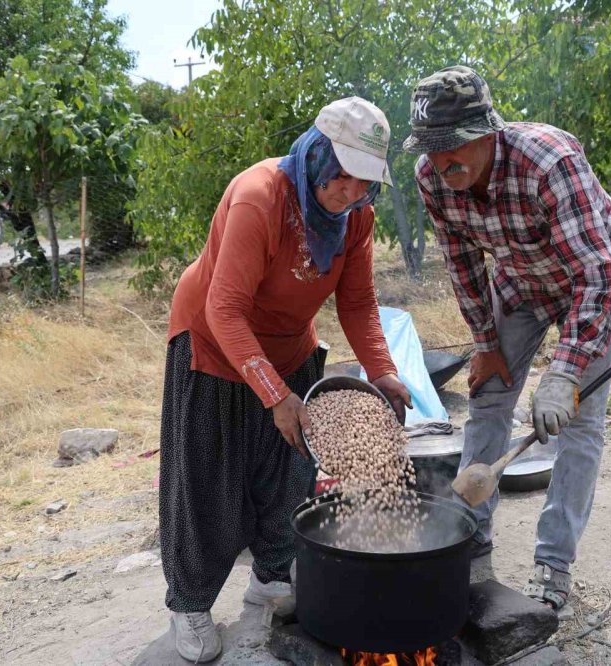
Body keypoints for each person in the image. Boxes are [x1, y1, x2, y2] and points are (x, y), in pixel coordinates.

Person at [160, 96, 412, 663]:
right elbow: (225, 310)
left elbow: (358, 302)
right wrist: (274, 394)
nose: (349, 192)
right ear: (318, 154)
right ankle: (191, 604)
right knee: (208, 483)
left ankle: (272, 578)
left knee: (287, 472)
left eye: (364, 182)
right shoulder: (260, 198)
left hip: (289, 345)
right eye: (342, 175)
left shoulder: (356, 219)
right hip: (214, 345)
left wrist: (384, 371)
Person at [405, 66, 611, 611]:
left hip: (587, 282)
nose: (441, 162)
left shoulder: (548, 162)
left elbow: (595, 275)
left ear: (488, 131)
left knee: (578, 424)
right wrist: (485, 344)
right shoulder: (432, 177)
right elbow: (463, 264)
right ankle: (467, 532)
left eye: (452, 147)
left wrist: (566, 373)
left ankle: (553, 565)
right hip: (518, 282)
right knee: (488, 399)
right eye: (430, 149)